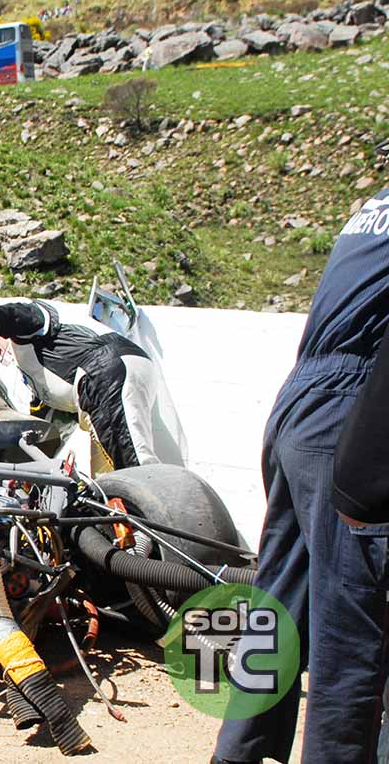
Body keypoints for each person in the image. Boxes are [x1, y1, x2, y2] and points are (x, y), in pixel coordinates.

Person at [211, 189, 389, 764]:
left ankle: (238, 753)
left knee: (279, 602)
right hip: (355, 406)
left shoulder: (376, 203)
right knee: (352, 625)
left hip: (302, 398)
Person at [0, 299, 183, 470]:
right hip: (105, 378)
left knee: (132, 462)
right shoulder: (35, 373)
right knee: (109, 480)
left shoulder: (26, 324)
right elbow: (49, 429)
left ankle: (154, 518)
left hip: (104, 372)